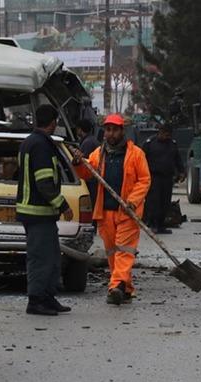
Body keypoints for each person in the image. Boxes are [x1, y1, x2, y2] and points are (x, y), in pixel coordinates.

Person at [73, 113, 151, 305]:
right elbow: (86, 173)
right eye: (108, 130)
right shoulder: (98, 154)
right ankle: (125, 288)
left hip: (128, 211)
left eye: (115, 130)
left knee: (124, 251)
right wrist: (78, 163)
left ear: (122, 131)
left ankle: (115, 286)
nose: (111, 133)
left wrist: (132, 201)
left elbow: (144, 180)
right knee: (113, 252)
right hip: (105, 211)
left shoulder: (136, 154)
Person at [16, 105, 75, 316]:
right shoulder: (41, 145)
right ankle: (36, 300)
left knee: (51, 258)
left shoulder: (31, 142)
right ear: (53, 122)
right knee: (41, 259)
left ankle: (48, 297)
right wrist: (63, 205)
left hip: (40, 214)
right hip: (37, 213)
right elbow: (44, 183)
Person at [143, 123, 185, 234]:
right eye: (165, 134)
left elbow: (177, 159)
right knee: (154, 202)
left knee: (165, 202)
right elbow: (141, 159)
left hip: (167, 178)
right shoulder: (150, 143)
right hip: (154, 177)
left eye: (168, 135)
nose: (166, 137)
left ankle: (161, 225)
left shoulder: (172, 144)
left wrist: (181, 172)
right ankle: (153, 224)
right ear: (160, 132)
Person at [76, 118, 101, 208]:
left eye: (77, 129)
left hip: (91, 180)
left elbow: (84, 162)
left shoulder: (88, 143)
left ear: (80, 129)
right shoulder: (91, 140)